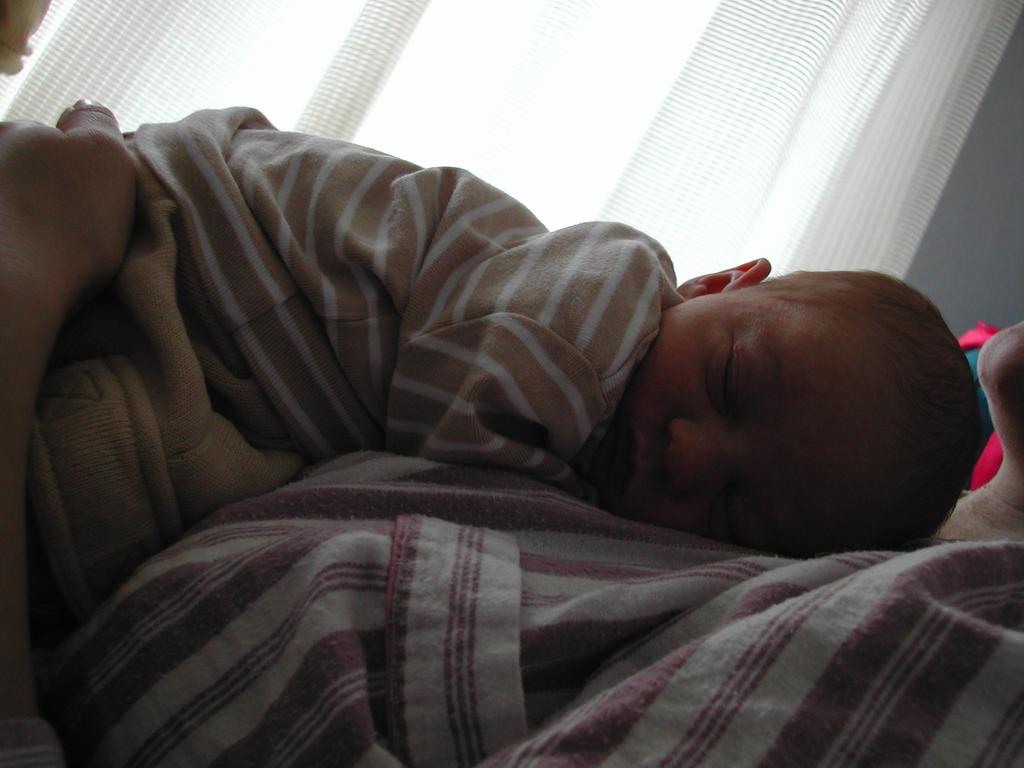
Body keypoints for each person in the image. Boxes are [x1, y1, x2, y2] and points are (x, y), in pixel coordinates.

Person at [3, 100, 1020, 726]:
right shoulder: (582, 312)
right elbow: (445, 478)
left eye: (738, 510)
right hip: (193, 231)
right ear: (714, 282)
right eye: (729, 385)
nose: (688, 453)